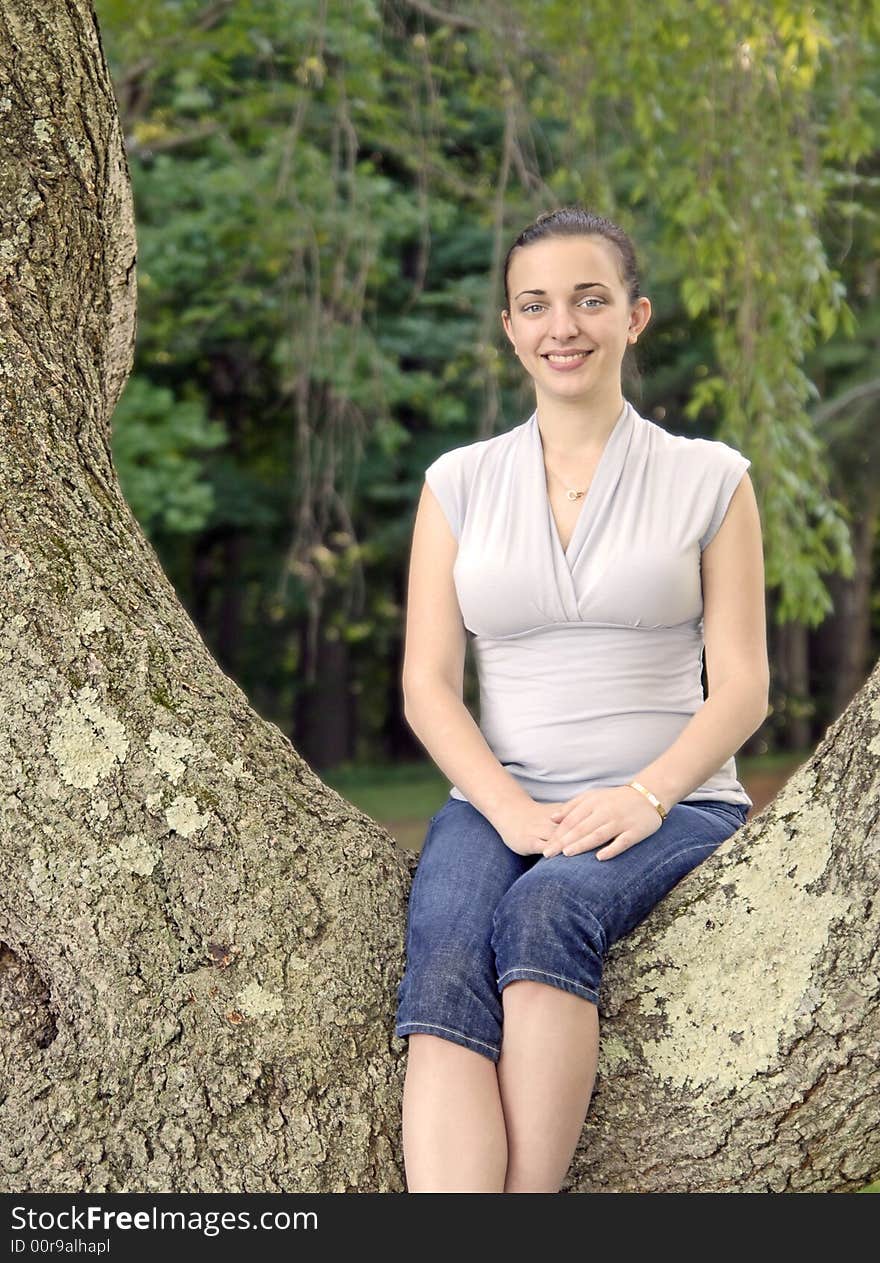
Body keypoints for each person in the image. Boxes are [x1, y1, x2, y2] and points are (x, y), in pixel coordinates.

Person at [394, 206, 769, 1193]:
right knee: (441, 959)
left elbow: (742, 688)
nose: (563, 325)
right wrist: (511, 809)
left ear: (633, 317)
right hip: (497, 798)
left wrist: (642, 796)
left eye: (588, 299)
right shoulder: (458, 483)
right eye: (535, 305)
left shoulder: (710, 480)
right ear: (511, 330)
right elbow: (427, 685)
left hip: (674, 801)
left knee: (546, 910)